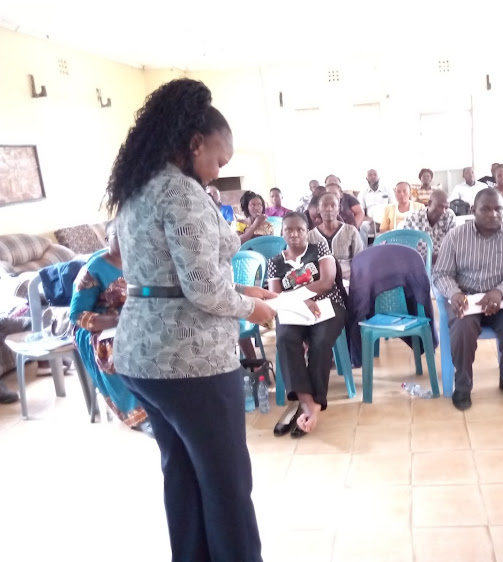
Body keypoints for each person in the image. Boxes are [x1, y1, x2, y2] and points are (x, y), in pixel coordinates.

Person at [105, 78, 276, 562]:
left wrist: (241, 288)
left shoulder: (137, 187)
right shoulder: (181, 194)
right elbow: (201, 288)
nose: (219, 171)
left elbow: (162, 274)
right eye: (218, 160)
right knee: (225, 483)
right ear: (195, 142)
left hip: (142, 356)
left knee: (180, 474)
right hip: (190, 362)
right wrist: (253, 309)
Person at [433, 188, 503, 411]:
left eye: (498, 208)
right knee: (462, 326)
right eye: (485, 209)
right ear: (472, 211)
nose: (493, 214)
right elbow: (441, 274)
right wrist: (454, 293)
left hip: (501, 300)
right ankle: (463, 385)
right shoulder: (456, 237)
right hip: (466, 299)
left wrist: (500, 292)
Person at [268, 212, 348, 437]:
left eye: (299, 230)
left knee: (321, 341)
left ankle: (314, 404)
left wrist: (295, 295)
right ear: (282, 232)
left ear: (307, 231)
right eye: (289, 230)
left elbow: (326, 282)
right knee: (285, 339)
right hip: (293, 310)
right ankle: (306, 402)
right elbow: (275, 295)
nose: (294, 234)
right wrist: (302, 299)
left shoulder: (320, 249)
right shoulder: (275, 262)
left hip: (328, 307)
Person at [69, 221, 150, 433]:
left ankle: (163, 400)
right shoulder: (93, 270)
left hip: (134, 319)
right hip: (98, 327)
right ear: (107, 240)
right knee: (118, 345)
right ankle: (137, 414)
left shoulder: (139, 261)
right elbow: (76, 315)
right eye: (118, 235)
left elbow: (148, 292)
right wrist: (117, 321)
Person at [308, 192, 363, 279]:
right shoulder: (310, 236)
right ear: (318, 209)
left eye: (333, 205)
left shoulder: (351, 231)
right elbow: (308, 264)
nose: (329, 209)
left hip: (347, 280)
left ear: (338, 209)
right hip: (320, 283)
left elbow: (360, 260)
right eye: (325, 205)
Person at [402, 190, 456, 265]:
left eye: (446, 207)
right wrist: (426, 259)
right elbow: (405, 247)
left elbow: (454, 243)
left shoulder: (449, 216)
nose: (443, 211)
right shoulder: (413, 218)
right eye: (440, 206)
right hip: (419, 264)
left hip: (444, 263)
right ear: (429, 203)